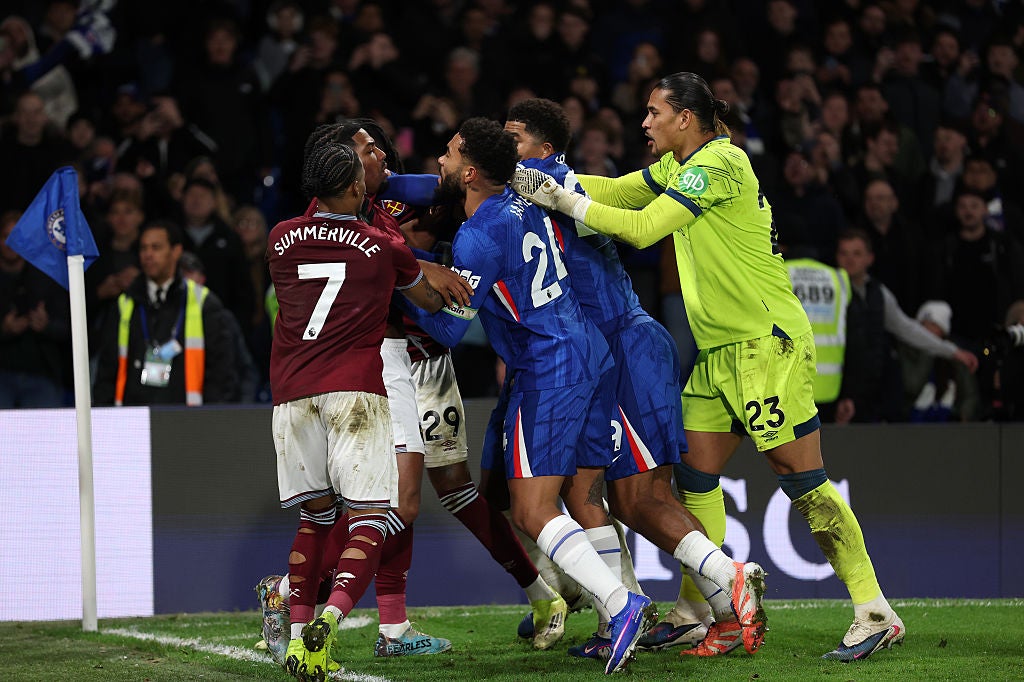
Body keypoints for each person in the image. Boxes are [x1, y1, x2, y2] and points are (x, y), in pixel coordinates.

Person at [512, 72, 905, 661]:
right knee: (694, 478)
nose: (643, 123)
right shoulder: (677, 165)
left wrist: (562, 200)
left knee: (803, 483)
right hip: (719, 353)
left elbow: (642, 230)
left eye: (653, 113)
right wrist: (542, 180)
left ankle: (874, 609)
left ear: (685, 119)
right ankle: (701, 610)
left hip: (765, 346)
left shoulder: (721, 163)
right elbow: (619, 193)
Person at [503, 97, 766, 661]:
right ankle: (625, 609)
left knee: (638, 496)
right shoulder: (549, 184)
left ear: (545, 150)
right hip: (598, 355)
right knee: (591, 493)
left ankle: (725, 583)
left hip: (624, 350)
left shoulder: (542, 183)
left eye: (515, 138)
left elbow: (641, 227)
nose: (508, 149)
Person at [266, 141, 447, 682]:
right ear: (354, 189)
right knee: (371, 517)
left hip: (292, 395)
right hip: (356, 393)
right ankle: (331, 617)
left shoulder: (278, 240)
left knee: (314, 518)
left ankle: (299, 639)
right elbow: (430, 302)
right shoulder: (381, 245)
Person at [833, 229, 978, 424]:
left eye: (857, 253)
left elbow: (907, 329)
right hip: (837, 384)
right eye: (844, 253)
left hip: (873, 385)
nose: (850, 260)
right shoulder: (828, 289)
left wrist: (951, 351)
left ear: (870, 258)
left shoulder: (878, 293)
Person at [93, 220, 237, 406]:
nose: (148, 254)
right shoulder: (125, 303)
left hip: (187, 420)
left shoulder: (204, 303)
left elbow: (221, 372)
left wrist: (211, 419)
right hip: (132, 421)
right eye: (144, 248)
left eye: (156, 247)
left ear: (176, 251)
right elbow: (107, 370)